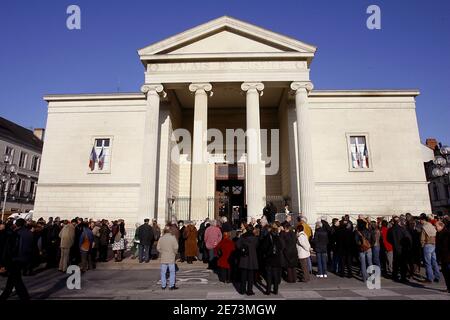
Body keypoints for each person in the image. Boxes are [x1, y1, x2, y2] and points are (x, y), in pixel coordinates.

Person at [0, 219, 33, 300]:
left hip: (16, 259)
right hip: (25, 258)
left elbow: (12, 248)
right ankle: (5, 295)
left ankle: (24, 297)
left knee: (16, 280)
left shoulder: (16, 233)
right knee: (13, 278)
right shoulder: (29, 233)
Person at [236, 224, 259, 295]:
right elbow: (257, 246)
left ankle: (242, 290)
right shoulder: (255, 237)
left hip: (244, 258)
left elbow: (237, 245)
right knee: (250, 277)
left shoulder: (243, 236)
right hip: (252, 258)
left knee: (243, 276)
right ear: (252, 230)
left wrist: (242, 248)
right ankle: (249, 291)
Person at [261, 224, 283, 295]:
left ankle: (268, 290)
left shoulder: (267, 237)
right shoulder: (278, 237)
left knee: (269, 275)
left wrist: (266, 253)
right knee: (275, 275)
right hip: (276, 259)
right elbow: (281, 247)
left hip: (269, 258)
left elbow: (263, 248)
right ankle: (276, 290)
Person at [388, 216, 412, 282]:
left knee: (395, 262)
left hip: (395, 247)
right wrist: (408, 246)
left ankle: (395, 275)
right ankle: (403, 277)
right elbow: (408, 238)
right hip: (403, 248)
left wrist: (393, 243)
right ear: (398, 222)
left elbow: (388, 239)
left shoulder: (390, 230)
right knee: (403, 263)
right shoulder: (403, 229)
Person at [420, 213, 440, 283]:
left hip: (427, 245)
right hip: (434, 244)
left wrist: (422, 245)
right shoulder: (432, 226)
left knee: (428, 263)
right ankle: (437, 276)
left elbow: (422, 238)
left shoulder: (424, 227)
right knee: (434, 261)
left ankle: (429, 278)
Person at [435, 221, 450, 293]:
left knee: (448, 272)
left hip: (448, 256)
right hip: (442, 256)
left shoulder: (447, 233)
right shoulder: (438, 233)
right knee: (445, 272)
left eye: (436, 226)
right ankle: (448, 287)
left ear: (441, 226)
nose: (435, 228)